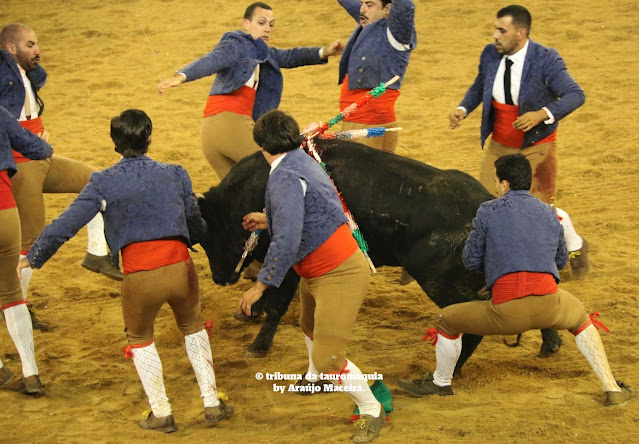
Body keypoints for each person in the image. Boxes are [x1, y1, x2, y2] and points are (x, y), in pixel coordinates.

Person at [17, 110, 233, 432]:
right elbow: (195, 223)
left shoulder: (102, 182)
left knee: (141, 338)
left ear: (114, 142)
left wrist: (34, 257)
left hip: (140, 275)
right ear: (149, 137)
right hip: (180, 268)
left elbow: (66, 224)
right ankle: (212, 403)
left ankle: (162, 412)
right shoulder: (176, 173)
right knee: (193, 327)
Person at [396, 154, 635, 407]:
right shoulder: (549, 212)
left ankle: (440, 383)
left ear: (505, 184)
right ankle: (612, 387)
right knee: (581, 319)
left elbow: (471, 260)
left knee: (447, 320)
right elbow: (561, 261)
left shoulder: (487, 211)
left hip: (506, 311)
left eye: (496, 181)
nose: (496, 186)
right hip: (550, 305)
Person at [239, 110, 385, 443]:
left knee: (328, 358)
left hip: (337, 273)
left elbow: (287, 240)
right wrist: (270, 218)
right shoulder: (302, 159)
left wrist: (260, 286)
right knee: (308, 325)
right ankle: (316, 377)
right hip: (323, 267)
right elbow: (314, 208)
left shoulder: (284, 175)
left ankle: (371, 409)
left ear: (262, 146)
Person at [447, 5, 589, 278]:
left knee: (536, 209)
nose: (495, 35)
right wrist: (463, 109)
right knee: (483, 201)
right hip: (500, 144)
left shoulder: (546, 59)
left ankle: (575, 244)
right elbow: (480, 85)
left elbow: (575, 94)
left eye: (502, 30)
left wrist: (541, 114)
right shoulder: (490, 54)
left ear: (521, 33)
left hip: (537, 145)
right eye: (495, 29)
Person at [0, 23, 122, 319]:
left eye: (37, 43)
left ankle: (96, 252)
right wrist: (31, 140)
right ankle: (16, 304)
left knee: (96, 182)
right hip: (22, 164)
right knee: (30, 241)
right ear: (10, 48)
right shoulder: (4, 73)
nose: (37, 50)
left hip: (41, 156)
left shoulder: (24, 72)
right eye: (30, 45)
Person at [156, 2, 343, 180]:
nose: (267, 28)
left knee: (243, 195)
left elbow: (291, 56)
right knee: (281, 171)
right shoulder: (236, 44)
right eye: (261, 23)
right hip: (231, 125)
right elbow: (212, 60)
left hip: (209, 133)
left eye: (271, 24)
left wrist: (324, 51)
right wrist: (182, 76)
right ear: (246, 24)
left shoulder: (262, 53)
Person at [0, 105, 52, 393]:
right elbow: (35, 147)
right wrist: (44, 145)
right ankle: (31, 374)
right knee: (12, 295)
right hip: (3, 209)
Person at [337, 0, 416, 153]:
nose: (362, 9)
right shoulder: (371, 22)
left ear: (387, 9)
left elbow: (405, 7)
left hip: (370, 123)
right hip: (357, 121)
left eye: (369, 5)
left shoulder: (398, 33)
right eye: (362, 3)